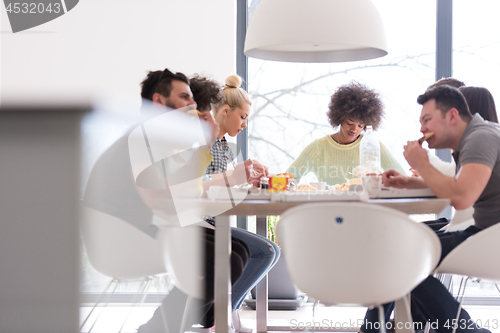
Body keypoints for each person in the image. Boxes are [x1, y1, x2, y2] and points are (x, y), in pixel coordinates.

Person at [84, 68, 251, 333]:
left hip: (143, 226)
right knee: (226, 257)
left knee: (238, 251)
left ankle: (184, 322)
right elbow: (158, 198)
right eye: (185, 97)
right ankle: (155, 329)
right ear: (160, 101)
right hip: (124, 235)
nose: (193, 105)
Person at [360, 85, 500, 333]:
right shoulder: (476, 136)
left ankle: (466, 330)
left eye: (426, 120)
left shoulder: (481, 138)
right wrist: (409, 182)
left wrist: (421, 163)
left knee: (402, 254)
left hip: (491, 239)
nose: (422, 129)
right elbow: (460, 186)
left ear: (452, 116)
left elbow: (462, 197)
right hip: (486, 234)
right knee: (400, 249)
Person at [193, 74, 280, 333]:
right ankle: (218, 316)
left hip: (213, 220)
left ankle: (222, 314)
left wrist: (247, 183)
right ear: (226, 111)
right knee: (264, 251)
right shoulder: (203, 143)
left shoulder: (225, 148)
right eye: (242, 117)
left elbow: (224, 185)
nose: (244, 124)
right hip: (200, 222)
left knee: (270, 251)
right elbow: (203, 184)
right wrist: (234, 179)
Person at [286, 81, 405, 185]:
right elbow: (290, 177)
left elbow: (400, 175)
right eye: (350, 123)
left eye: (360, 125)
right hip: (329, 207)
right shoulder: (319, 147)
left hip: (365, 208)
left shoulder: (370, 145)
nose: (354, 130)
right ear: (340, 118)